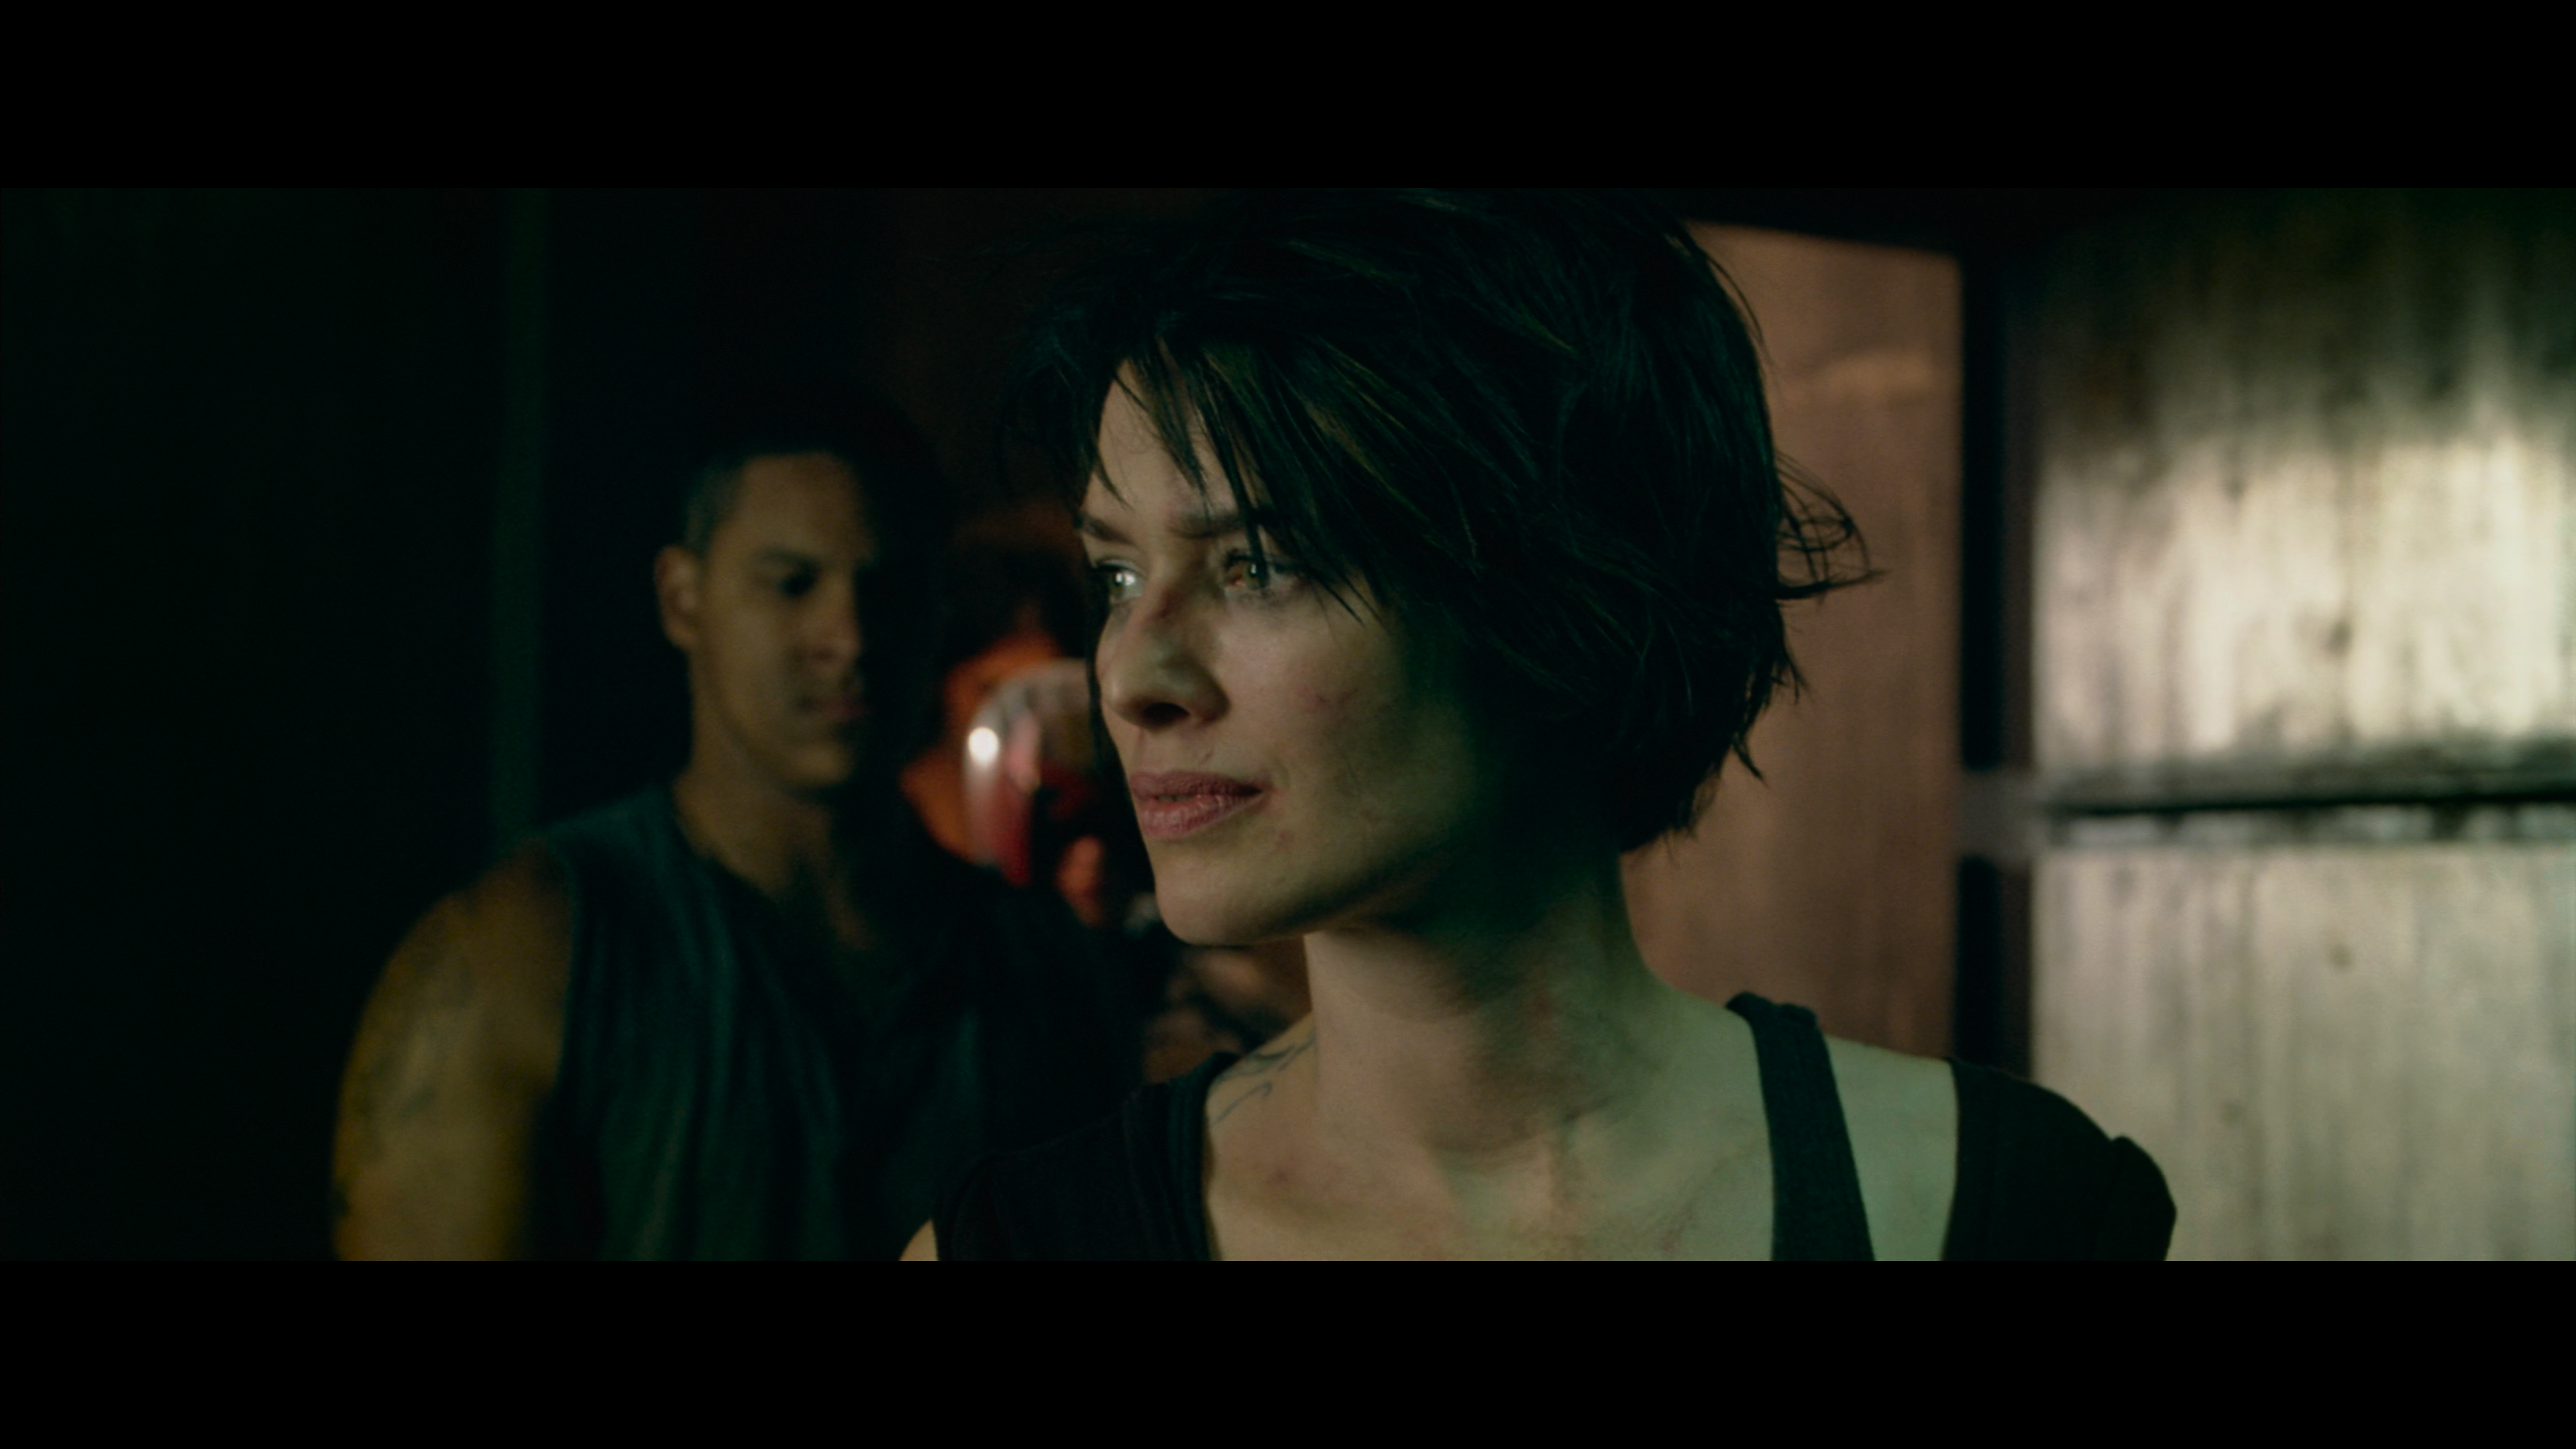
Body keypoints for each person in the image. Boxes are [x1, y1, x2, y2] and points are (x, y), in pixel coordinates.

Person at [912, 191, 2174, 1260]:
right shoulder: (1021, 1243)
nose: (1132, 674)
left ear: (1562, 598)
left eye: (1259, 564)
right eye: (1119, 575)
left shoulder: (1999, 1207)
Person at [333, 384, 1134, 1260]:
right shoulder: (524, 956)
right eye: (792, 584)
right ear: (683, 597)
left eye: (891, 587)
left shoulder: (1043, 968)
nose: (849, 637)